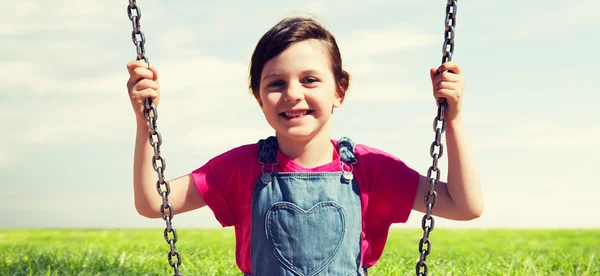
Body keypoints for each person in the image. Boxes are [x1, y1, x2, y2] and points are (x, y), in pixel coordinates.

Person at [126, 16, 483, 276]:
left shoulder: (371, 169)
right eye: (276, 83)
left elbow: (464, 206)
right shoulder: (241, 168)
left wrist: (452, 120)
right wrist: (144, 122)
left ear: (339, 91)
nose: (293, 94)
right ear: (259, 97)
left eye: (310, 79)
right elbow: (154, 203)